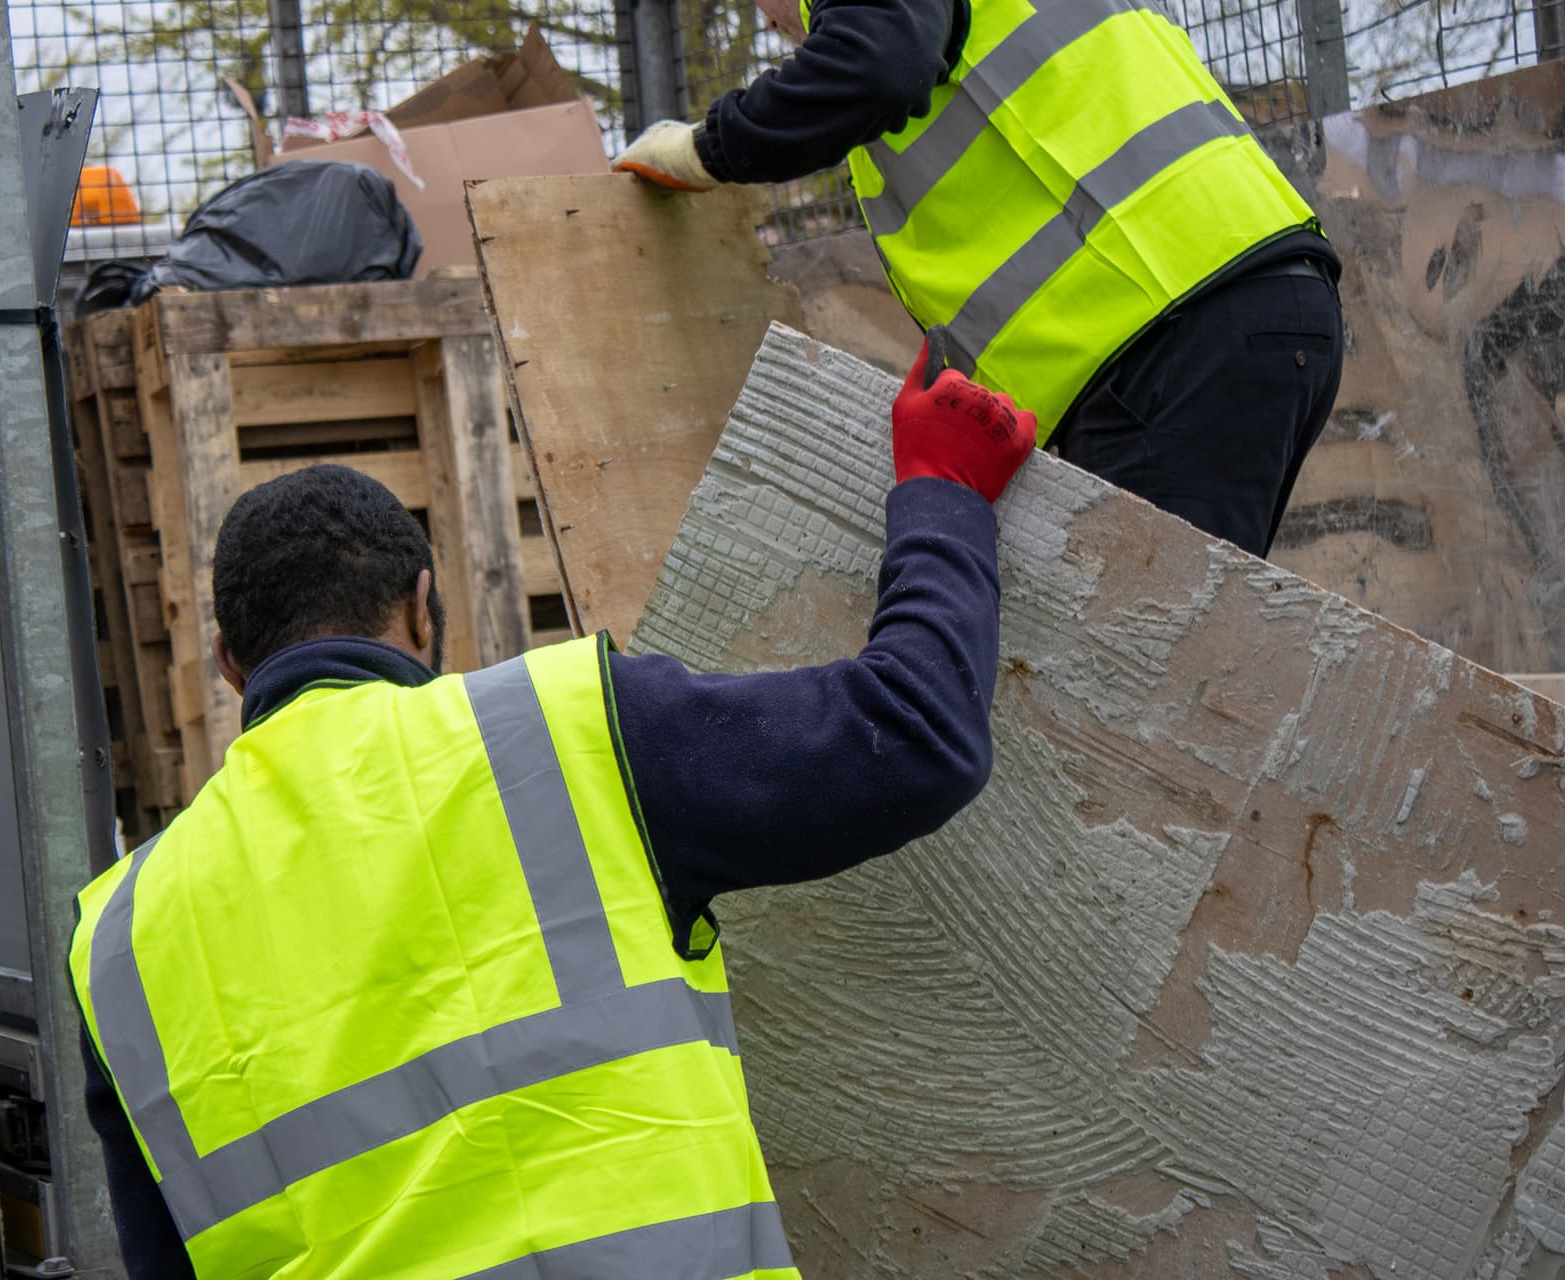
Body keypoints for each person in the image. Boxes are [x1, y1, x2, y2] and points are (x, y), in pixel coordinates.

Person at [67, 340, 1036, 1279]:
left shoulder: (119, 942)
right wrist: (944, 488)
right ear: (422, 604)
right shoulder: (567, 730)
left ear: (232, 665)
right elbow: (912, 731)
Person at [613, 0, 1344, 558]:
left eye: (762, 8)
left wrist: (707, 148)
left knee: (1157, 694)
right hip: (1245, 305)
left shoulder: (882, 33)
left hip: (1167, 336)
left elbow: (871, 68)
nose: (775, 28)